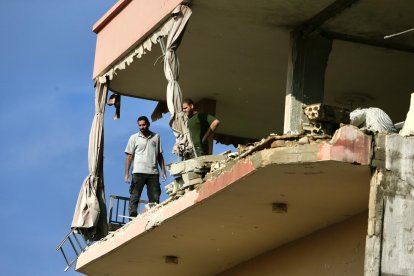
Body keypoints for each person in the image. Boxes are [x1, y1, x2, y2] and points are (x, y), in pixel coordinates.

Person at [124, 116, 166, 217]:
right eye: (140, 125)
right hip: (138, 172)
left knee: (155, 197)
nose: (142, 127)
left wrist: (163, 171)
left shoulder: (156, 137)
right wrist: (126, 174)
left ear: (148, 124)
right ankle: (132, 217)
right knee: (135, 196)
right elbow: (129, 156)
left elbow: (160, 155)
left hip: (153, 172)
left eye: (144, 125)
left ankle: (153, 216)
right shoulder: (133, 138)